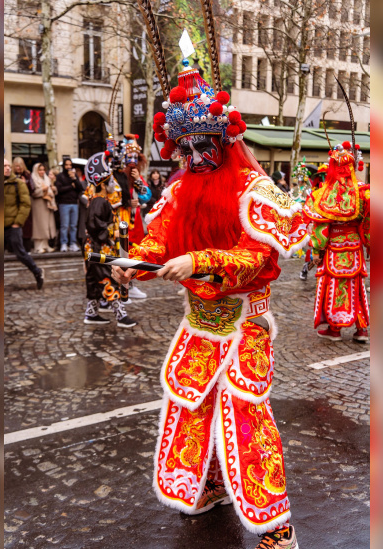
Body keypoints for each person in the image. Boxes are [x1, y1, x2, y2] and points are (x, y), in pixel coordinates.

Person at [112, 60, 307, 548]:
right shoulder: (179, 190)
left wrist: (199, 259)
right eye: (186, 147)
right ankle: (212, 485)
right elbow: (158, 240)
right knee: (193, 406)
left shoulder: (253, 189)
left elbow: (255, 256)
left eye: (204, 145)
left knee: (246, 414)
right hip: (199, 325)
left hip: (244, 326)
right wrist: (134, 262)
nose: (195, 155)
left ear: (224, 142)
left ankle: (277, 524)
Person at [303, 141, 369, 342]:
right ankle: (361, 329)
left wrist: (317, 249)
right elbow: (368, 221)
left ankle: (335, 328)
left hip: (333, 247)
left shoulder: (325, 194)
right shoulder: (363, 192)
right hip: (355, 247)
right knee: (355, 286)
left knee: (333, 284)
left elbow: (321, 227)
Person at [82, 152, 137, 328]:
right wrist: (112, 233)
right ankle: (121, 316)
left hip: (94, 248)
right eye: (111, 181)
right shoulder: (100, 201)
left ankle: (91, 313)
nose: (114, 184)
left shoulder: (98, 200)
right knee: (108, 280)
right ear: (104, 184)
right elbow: (95, 225)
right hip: (100, 250)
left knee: (93, 280)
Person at [114, 134, 152, 300]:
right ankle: (120, 288)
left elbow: (146, 196)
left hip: (135, 222)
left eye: (135, 157)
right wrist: (128, 203)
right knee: (120, 253)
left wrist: (138, 181)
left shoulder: (138, 178)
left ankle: (131, 284)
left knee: (133, 253)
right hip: (120, 220)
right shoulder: (117, 177)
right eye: (129, 157)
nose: (132, 161)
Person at [4, 158, 43, 289]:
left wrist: (17, 223)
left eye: (8, 166)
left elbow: (26, 204)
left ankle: (37, 272)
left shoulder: (18, 183)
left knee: (20, 252)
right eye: (5, 166)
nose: (8, 168)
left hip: (13, 225)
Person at [55, 157, 83, 252]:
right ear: (63, 166)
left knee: (73, 225)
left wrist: (74, 179)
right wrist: (71, 186)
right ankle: (63, 243)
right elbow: (59, 190)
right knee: (64, 225)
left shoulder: (74, 176)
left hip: (74, 203)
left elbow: (80, 188)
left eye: (70, 165)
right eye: (66, 165)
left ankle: (73, 243)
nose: (68, 167)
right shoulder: (60, 176)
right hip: (64, 203)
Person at [30, 163, 57, 253]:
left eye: (43, 170)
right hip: (38, 204)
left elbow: (51, 190)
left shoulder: (46, 178)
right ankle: (38, 246)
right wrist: (42, 190)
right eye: (40, 170)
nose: (42, 172)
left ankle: (46, 245)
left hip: (47, 204)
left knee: (47, 225)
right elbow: (32, 192)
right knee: (39, 225)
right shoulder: (33, 178)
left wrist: (53, 190)